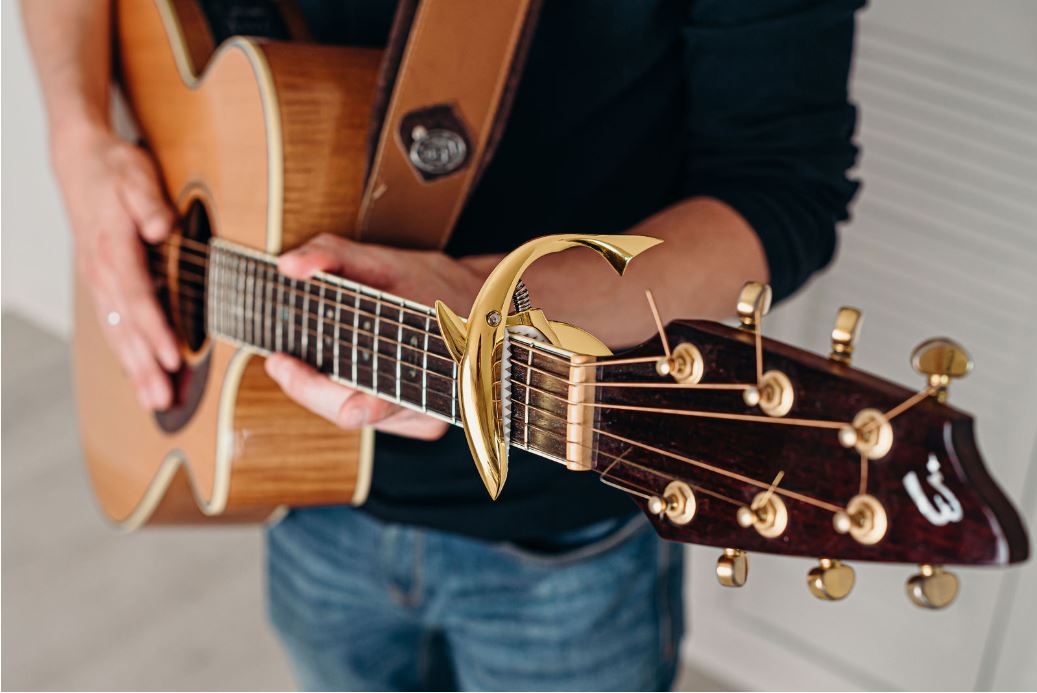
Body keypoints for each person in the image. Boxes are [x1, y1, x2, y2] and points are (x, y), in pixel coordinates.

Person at [23, 0, 862, 689]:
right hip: (296, 484)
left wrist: (497, 301)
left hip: (559, 522)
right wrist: (77, 137)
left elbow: (778, 188)